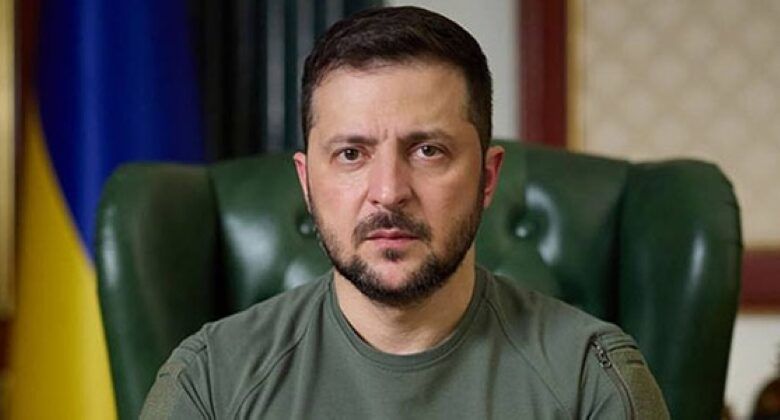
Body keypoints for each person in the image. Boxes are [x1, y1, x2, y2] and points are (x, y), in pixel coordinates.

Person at [141, 6, 669, 419]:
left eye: (428, 151)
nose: (389, 192)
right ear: (306, 183)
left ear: (487, 178)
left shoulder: (591, 380)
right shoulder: (210, 382)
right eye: (352, 154)